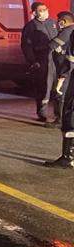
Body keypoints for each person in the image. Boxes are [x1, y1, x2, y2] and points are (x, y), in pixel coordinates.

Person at [44, 11, 74, 167]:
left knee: (70, 116)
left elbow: (70, 61)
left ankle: (68, 158)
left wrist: (61, 79)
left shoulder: (71, 33)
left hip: (71, 80)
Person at [22, 1, 59, 123]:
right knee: (44, 87)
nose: (44, 11)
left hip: (55, 60)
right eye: (41, 10)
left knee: (58, 87)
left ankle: (58, 114)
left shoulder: (53, 23)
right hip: (41, 60)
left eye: (45, 9)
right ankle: (42, 113)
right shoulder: (31, 26)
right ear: (34, 13)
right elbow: (26, 46)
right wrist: (33, 61)